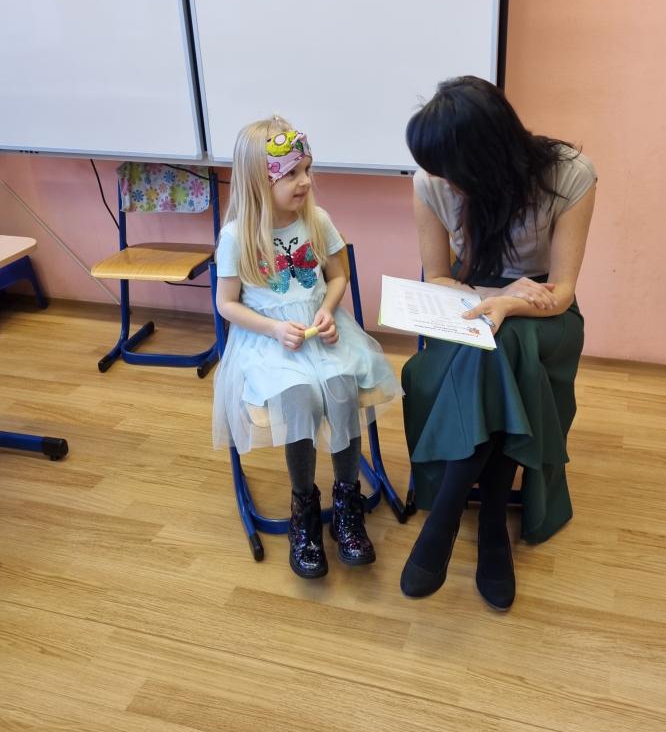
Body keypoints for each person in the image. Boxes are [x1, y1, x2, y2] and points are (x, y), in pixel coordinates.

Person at [400, 76, 596, 610]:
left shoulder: (570, 176)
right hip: (467, 306)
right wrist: (492, 299)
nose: (445, 183)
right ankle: (490, 527)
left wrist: (511, 304)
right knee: (494, 348)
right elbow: (439, 277)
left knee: (505, 345)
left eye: (454, 173)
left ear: (488, 158)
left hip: (545, 314)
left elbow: (562, 291)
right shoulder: (430, 183)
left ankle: (445, 522)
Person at [213, 117, 399, 579]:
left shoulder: (317, 220)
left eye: (307, 169)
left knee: (341, 387)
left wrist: (329, 312)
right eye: (292, 174)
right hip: (267, 340)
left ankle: (346, 499)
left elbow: (337, 276)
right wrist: (274, 329)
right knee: (299, 396)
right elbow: (226, 304)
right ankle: (304, 506)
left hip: (320, 330)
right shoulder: (236, 236)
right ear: (260, 181)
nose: (306, 181)